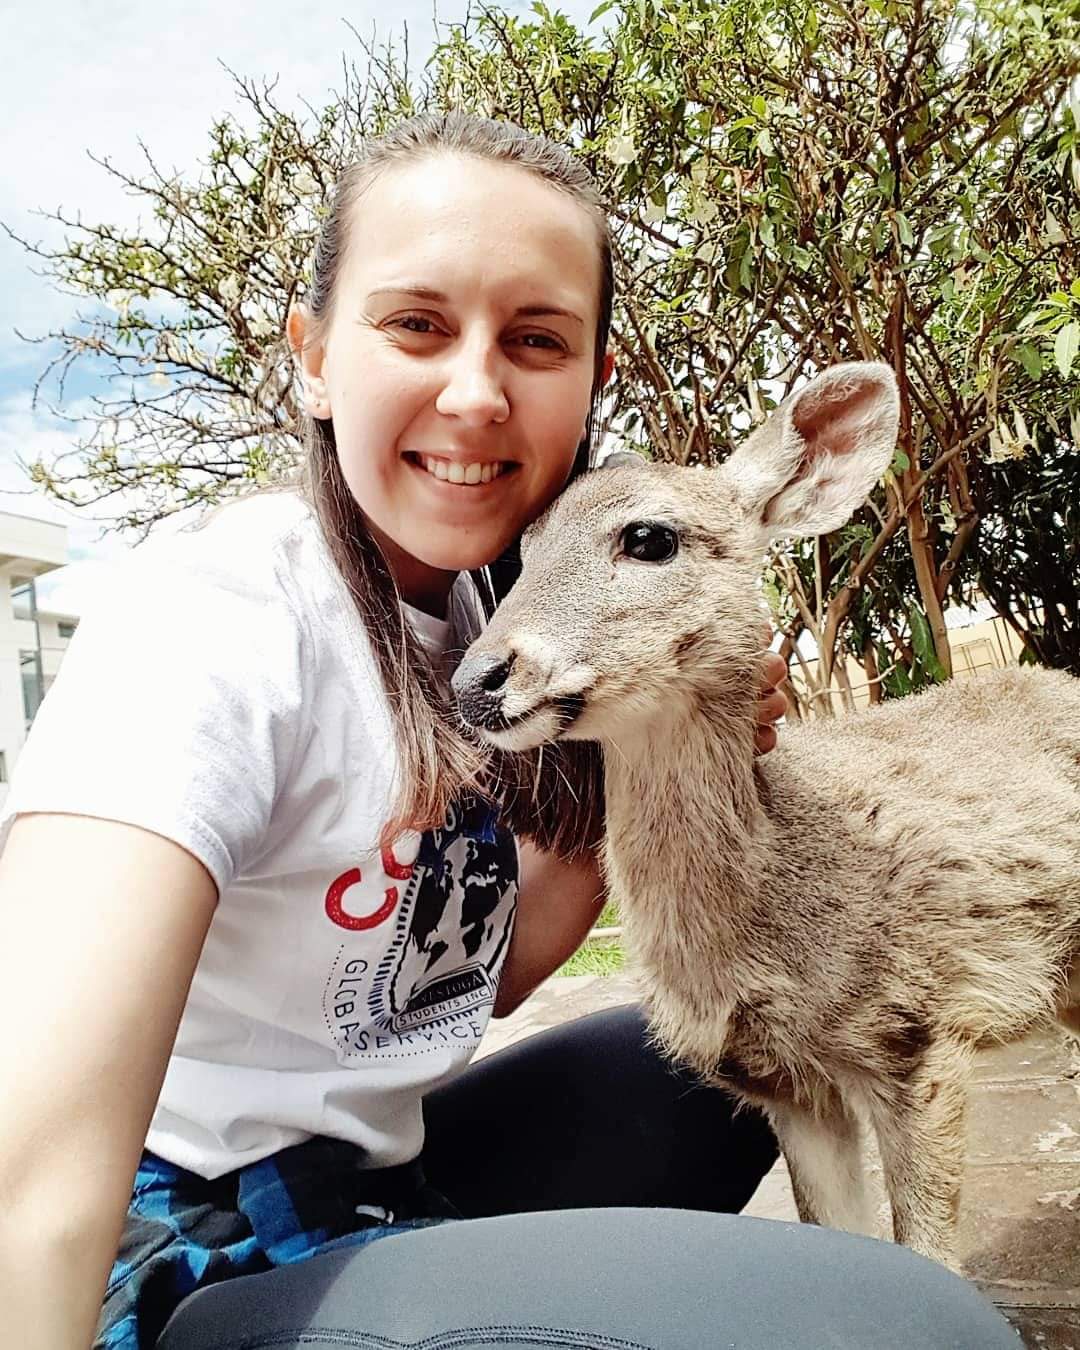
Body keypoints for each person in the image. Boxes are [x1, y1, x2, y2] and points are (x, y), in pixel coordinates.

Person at [0, 113, 1021, 1350]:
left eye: (536, 339)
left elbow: (457, 992)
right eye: (416, 324)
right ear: (315, 358)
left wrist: (663, 752)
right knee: (916, 1327)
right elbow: (31, 1183)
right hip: (183, 1253)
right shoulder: (213, 625)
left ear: (590, 381)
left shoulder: (496, 618)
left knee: (725, 1064)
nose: (477, 392)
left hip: (382, 1177)